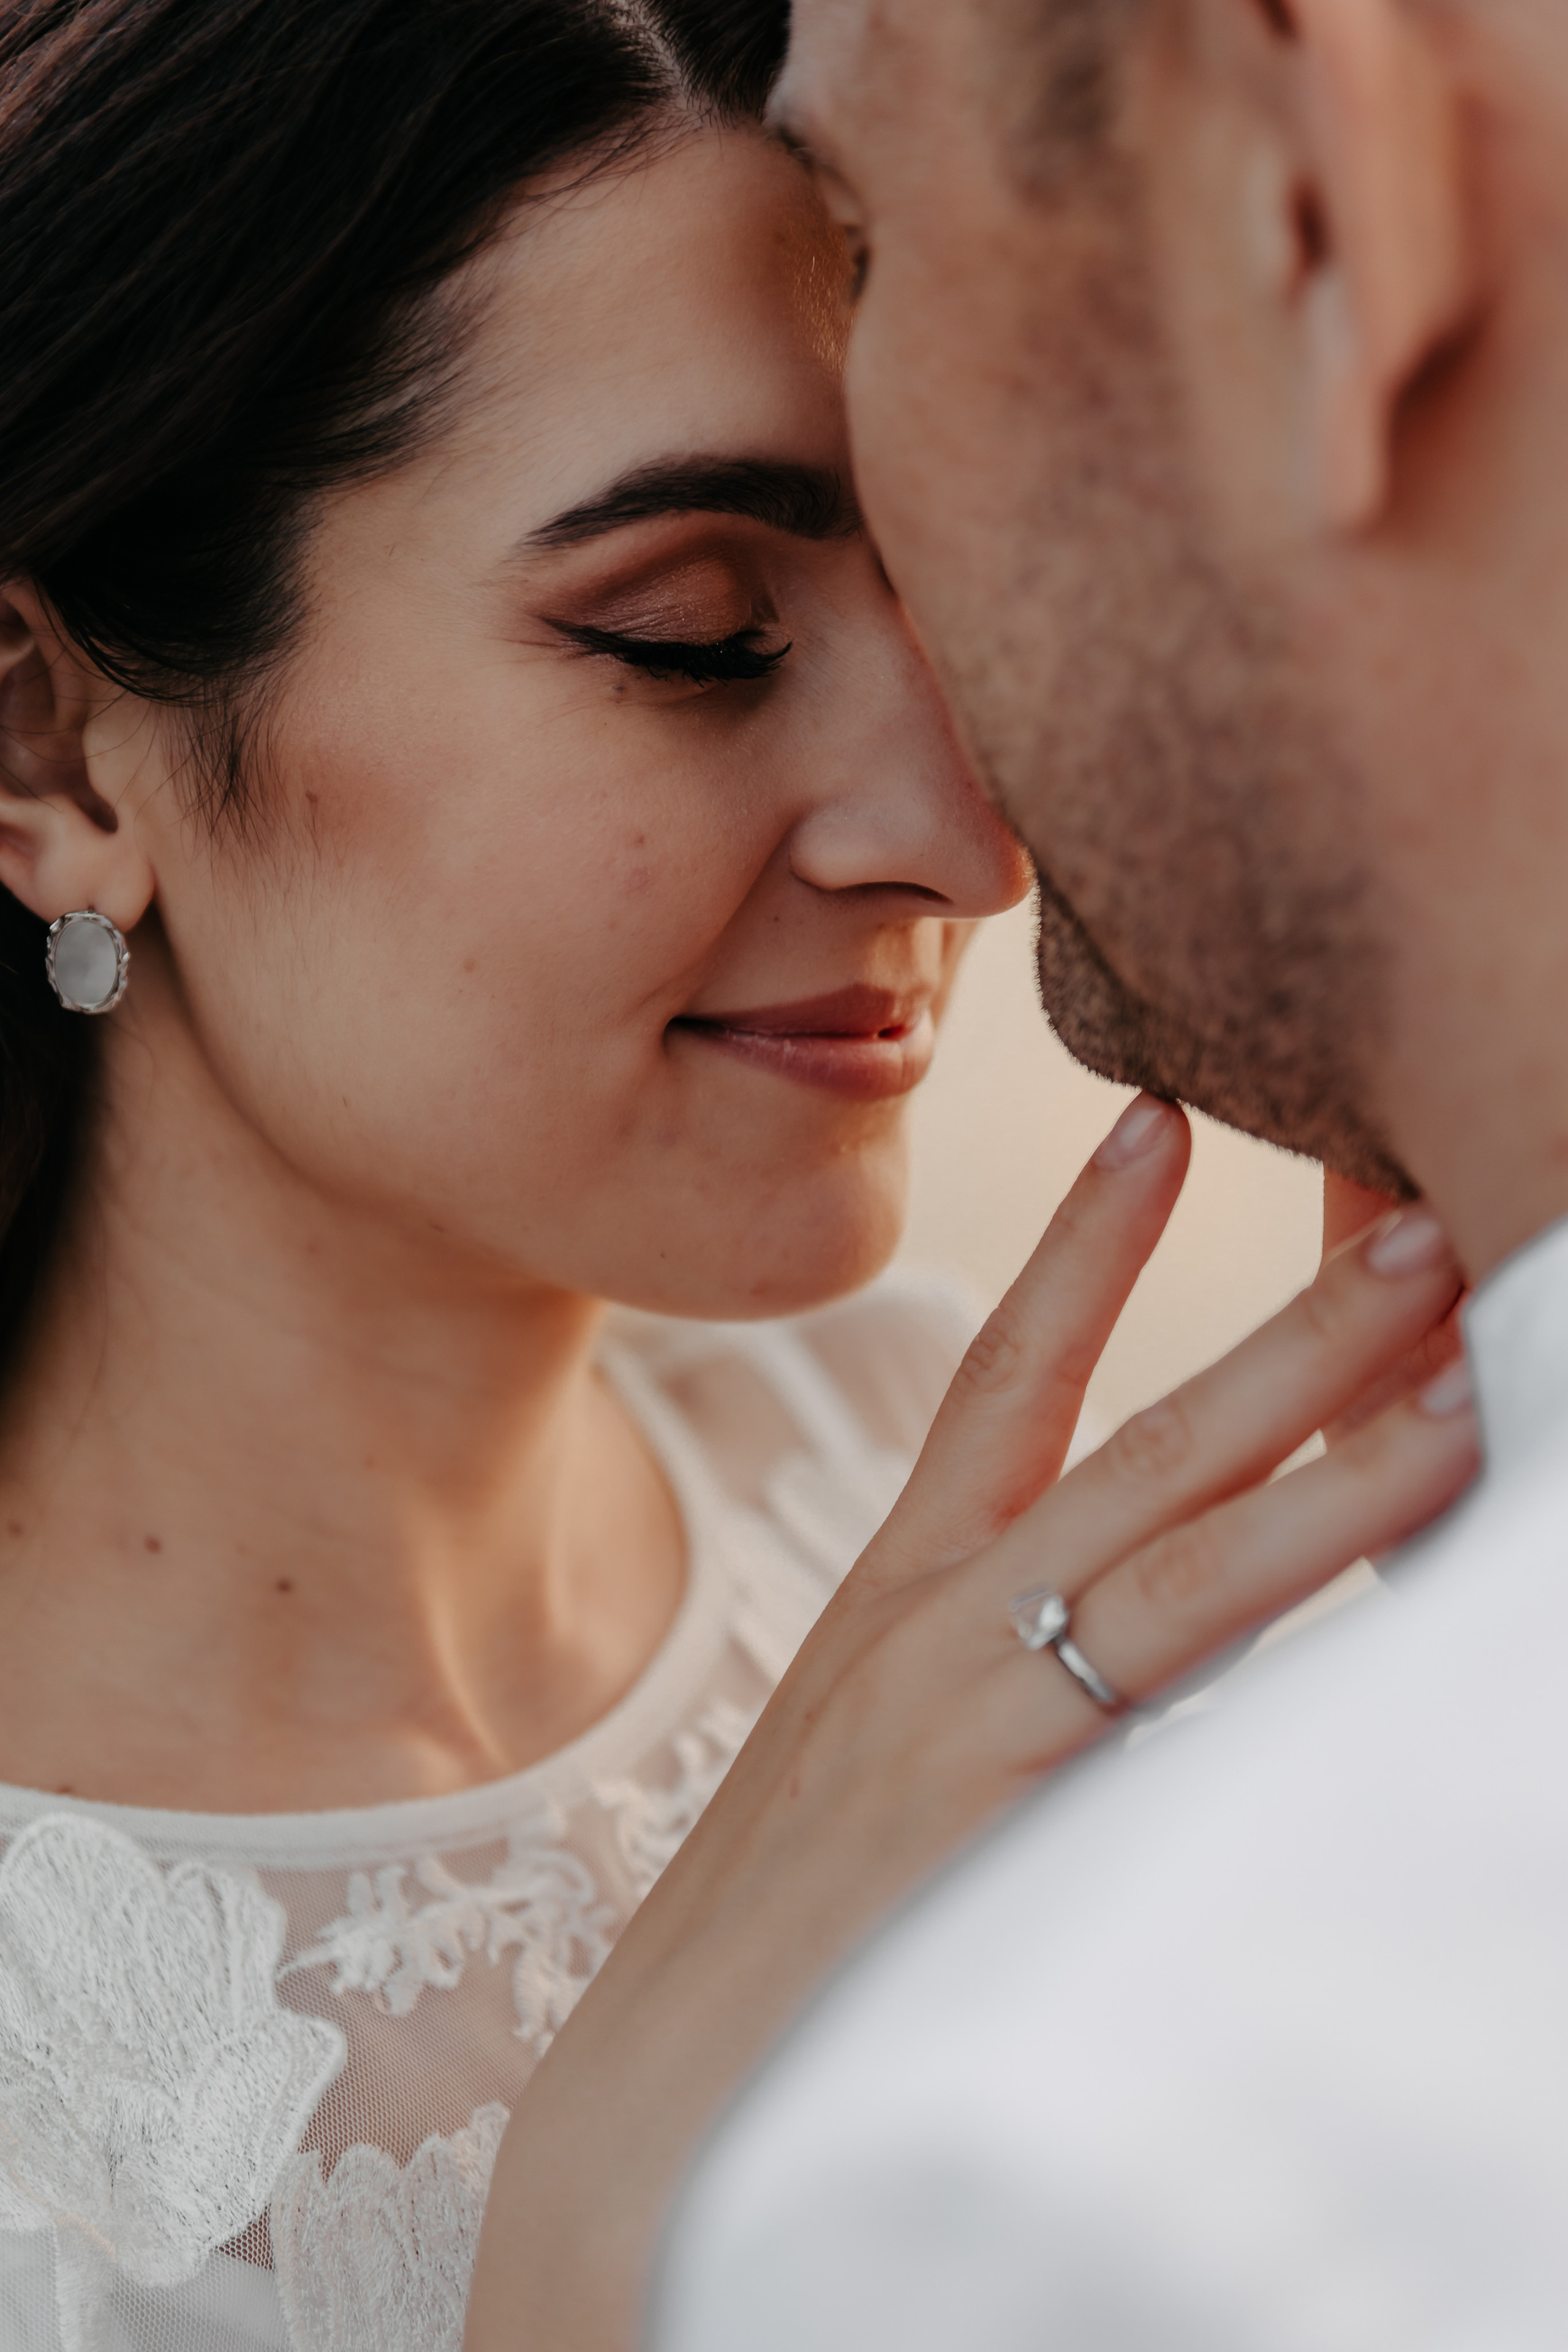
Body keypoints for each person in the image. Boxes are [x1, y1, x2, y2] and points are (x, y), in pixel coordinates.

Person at [0, 4, 1472, 2351]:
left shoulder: (963, 1515)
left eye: (944, 583)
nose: (966, 845)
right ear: (54, 743)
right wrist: (592, 2256)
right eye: (695, 639)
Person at [641, 0, 1568, 2345]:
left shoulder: (1085, 2180)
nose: (968, 848)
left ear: (1312, 195)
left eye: (868, 236)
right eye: (691, 641)